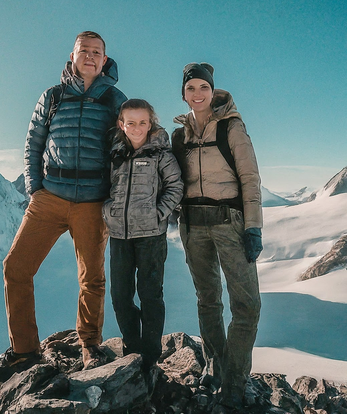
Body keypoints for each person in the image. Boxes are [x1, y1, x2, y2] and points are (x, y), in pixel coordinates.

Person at [3, 31, 127, 370]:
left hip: (91, 203)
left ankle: (90, 345)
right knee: (16, 268)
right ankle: (25, 351)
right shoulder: (53, 96)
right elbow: (33, 143)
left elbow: (129, 143)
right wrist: (35, 189)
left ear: (105, 60)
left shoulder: (115, 99)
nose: (89, 56)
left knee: (92, 279)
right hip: (50, 197)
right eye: (83, 50)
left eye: (96, 52)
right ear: (72, 56)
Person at [171, 63, 263, 413]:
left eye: (202, 87)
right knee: (207, 299)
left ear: (212, 90)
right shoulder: (179, 135)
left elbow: (250, 178)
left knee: (247, 305)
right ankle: (216, 367)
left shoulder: (231, 127)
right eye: (190, 88)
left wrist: (253, 226)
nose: (197, 94)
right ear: (183, 93)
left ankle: (234, 383)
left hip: (230, 223)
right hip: (193, 225)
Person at [103, 99, 183, 373]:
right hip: (120, 235)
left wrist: (158, 213)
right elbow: (105, 187)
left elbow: (175, 187)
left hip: (151, 235)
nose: (137, 128)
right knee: (120, 295)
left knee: (150, 295)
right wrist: (108, 211)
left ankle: (149, 355)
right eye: (131, 122)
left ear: (151, 124)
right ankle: (131, 347)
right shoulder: (113, 153)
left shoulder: (161, 154)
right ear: (121, 124)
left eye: (143, 122)